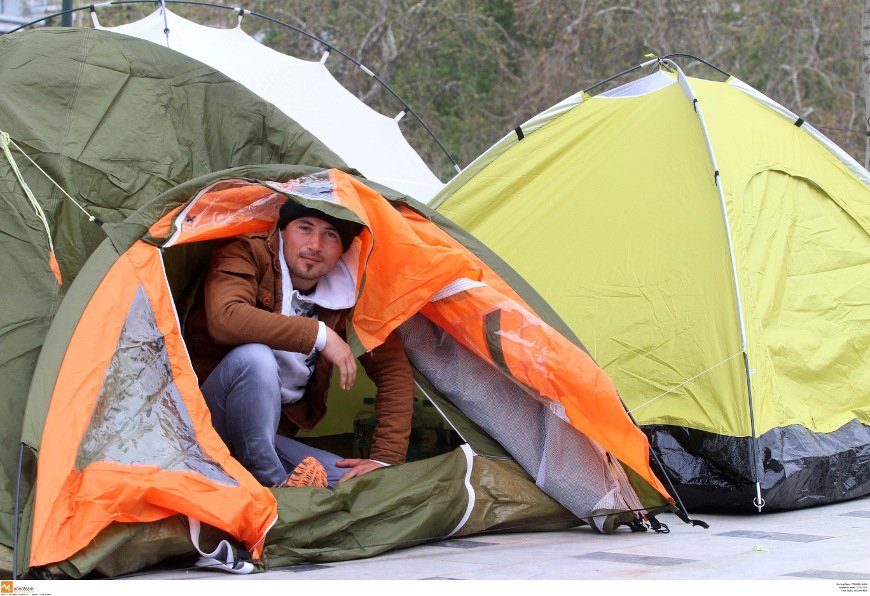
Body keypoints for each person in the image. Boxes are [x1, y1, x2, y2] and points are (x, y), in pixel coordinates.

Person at [185, 198, 414, 488]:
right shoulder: (247, 251)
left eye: (330, 235)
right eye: (305, 228)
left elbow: (392, 369)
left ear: (342, 249)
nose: (315, 245)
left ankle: (271, 484)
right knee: (255, 358)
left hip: (266, 440)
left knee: (359, 487)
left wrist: (385, 459)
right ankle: (275, 487)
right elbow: (226, 317)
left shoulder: (345, 295)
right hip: (206, 425)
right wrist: (320, 335)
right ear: (283, 231)